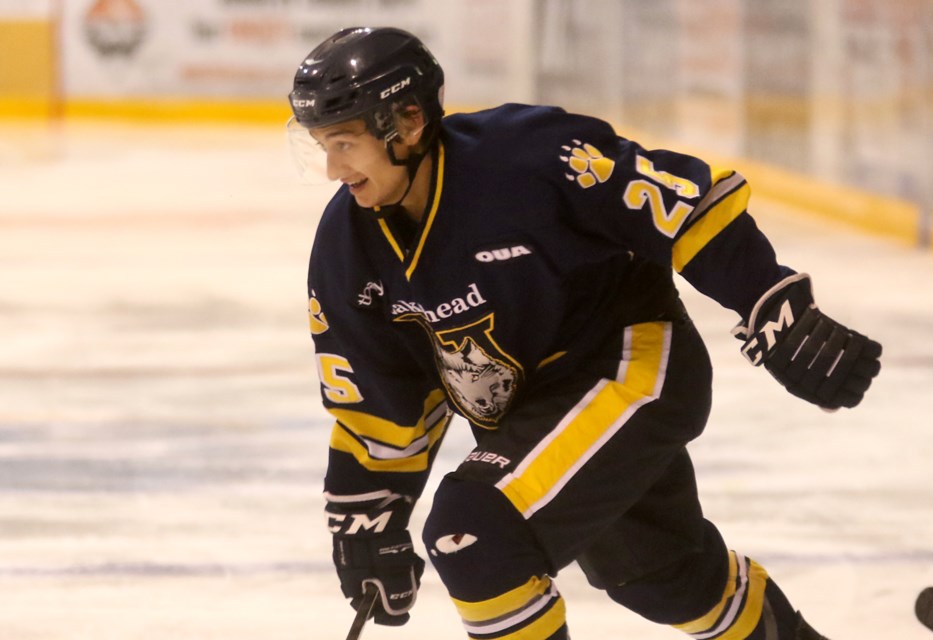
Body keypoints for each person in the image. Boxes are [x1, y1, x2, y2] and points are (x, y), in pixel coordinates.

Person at [287, 26, 882, 640]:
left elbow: (681, 206)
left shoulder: (525, 158)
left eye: (344, 144)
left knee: (474, 533)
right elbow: (379, 404)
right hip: (531, 418)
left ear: (407, 121)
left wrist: (771, 305)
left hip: (630, 368)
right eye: (321, 147)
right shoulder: (346, 249)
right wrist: (369, 523)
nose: (334, 169)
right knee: (663, 577)